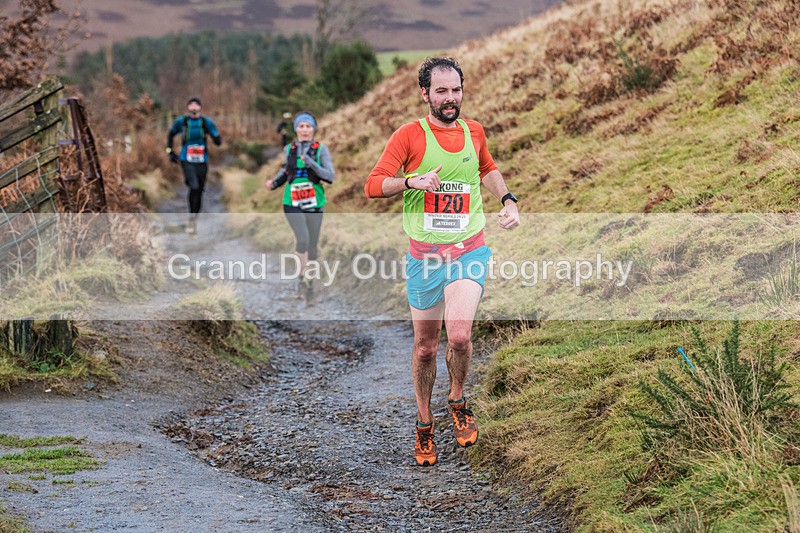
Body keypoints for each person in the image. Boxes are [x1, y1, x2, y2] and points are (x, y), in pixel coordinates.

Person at [364, 57, 520, 467]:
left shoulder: (474, 132)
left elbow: (487, 167)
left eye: (456, 90)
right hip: (424, 258)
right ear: (425, 94)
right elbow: (373, 184)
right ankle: (424, 424)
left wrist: (508, 199)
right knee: (424, 349)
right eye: (442, 92)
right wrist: (410, 181)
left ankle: (457, 400)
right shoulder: (409, 136)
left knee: (462, 336)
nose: (451, 99)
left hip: (468, 249)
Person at [267, 112, 335, 301]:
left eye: (308, 126)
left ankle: (310, 284)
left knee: (312, 246)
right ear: (296, 129)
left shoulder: (320, 149)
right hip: (292, 201)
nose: (304, 130)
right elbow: (286, 170)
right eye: (301, 126)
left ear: (313, 129)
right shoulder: (289, 148)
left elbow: (330, 176)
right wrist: (274, 183)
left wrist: (310, 162)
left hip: (315, 202)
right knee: (302, 240)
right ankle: (300, 280)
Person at [166, 97, 222, 234]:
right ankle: (191, 216)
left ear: (200, 109)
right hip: (187, 159)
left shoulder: (206, 122)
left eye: (196, 106)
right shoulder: (182, 122)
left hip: (202, 160)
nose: (194, 109)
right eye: (191, 106)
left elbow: (218, 140)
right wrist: (170, 151)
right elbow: (170, 134)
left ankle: (194, 218)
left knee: (200, 189)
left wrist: (216, 138)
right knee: (194, 185)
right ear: (188, 108)